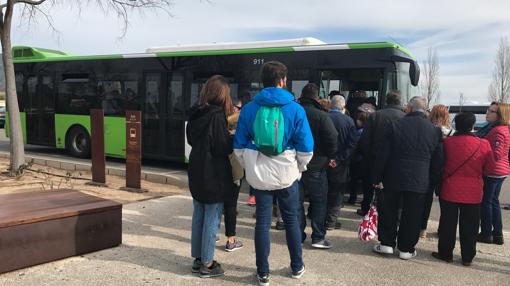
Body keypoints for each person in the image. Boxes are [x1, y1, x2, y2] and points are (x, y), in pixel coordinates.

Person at [234, 61, 313, 285]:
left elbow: (238, 147)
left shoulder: (249, 108)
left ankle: (263, 273)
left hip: (259, 177)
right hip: (287, 175)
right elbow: (306, 148)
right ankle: (297, 267)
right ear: (282, 81)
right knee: (291, 220)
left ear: (263, 82)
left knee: (262, 223)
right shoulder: (296, 108)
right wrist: (299, 168)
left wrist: (251, 165)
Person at [371, 96, 443, 260]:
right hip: (420, 179)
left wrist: (377, 177)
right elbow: (438, 160)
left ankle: (387, 244)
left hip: (393, 176)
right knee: (413, 215)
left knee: (389, 210)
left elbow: (383, 154)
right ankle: (406, 248)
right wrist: (432, 179)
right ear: (425, 111)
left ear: (409, 108)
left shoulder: (395, 125)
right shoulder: (434, 130)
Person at [187, 75, 234, 278]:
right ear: (222, 95)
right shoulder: (216, 116)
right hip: (213, 173)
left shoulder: (196, 112)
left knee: (199, 214)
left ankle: (198, 258)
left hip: (196, 169)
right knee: (212, 217)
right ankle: (207, 263)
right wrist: (231, 136)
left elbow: (192, 138)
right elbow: (222, 147)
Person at [431, 112, 492, 266]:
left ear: (456, 125)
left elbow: (440, 165)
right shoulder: (483, 144)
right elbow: (489, 168)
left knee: (447, 223)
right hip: (473, 191)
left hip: (450, 188)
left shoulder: (447, 143)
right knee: (471, 225)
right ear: (472, 126)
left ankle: (446, 253)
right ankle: (467, 257)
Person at [298, 83, 338, 249]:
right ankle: (318, 237)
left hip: (295, 164)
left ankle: (297, 234)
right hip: (317, 164)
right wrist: (330, 156)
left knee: (297, 202)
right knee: (319, 201)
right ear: (316, 97)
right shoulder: (322, 115)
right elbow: (332, 138)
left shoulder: (294, 112)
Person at [356, 91, 404, 215]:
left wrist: (369, 155)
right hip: (397, 161)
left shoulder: (375, 116)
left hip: (374, 158)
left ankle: (366, 208)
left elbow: (365, 139)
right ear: (399, 101)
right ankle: (390, 211)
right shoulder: (405, 117)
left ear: (386, 101)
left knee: (369, 186)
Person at [476, 102, 510, 245]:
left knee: (487, 203)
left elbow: (496, 153)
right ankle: (497, 234)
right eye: (488, 110)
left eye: (492, 111)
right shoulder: (501, 128)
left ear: (500, 115)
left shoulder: (498, 131)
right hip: (500, 171)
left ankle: (486, 233)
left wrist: (483, 158)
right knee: (493, 202)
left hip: (493, 171)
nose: (487, 112)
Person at [421, 104, 453, 238]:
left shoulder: (426, 130)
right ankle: (442, 230)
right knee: (445, 203)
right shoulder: (451, 132)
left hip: (427, 168)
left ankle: (422, 229)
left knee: (425, 201)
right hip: (443, 171)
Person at [326, 95, 357, 230]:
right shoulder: (349, 122)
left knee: (323, 190)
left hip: (323, 161)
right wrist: (338, 160)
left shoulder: (323, 118)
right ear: (343, 107)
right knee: (337, 192)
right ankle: (331, 221)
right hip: (341, 163)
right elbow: (352, 145)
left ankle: (319, 216)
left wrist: (328, 159)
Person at [224, 98, 244, 252]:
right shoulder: (237, 137)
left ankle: (213, 234)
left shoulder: (219, 131)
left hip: (217, 172)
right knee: (231, 205)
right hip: (233, 173)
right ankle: (231, 240)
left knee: (217, 204)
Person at [348, 103, 375, 210]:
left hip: (356, 159)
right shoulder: (370, 131)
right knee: (365, 182)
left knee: (354, 179)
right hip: (364, 159)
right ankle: (364, 201)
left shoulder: (356, 130)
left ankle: (352, 197)